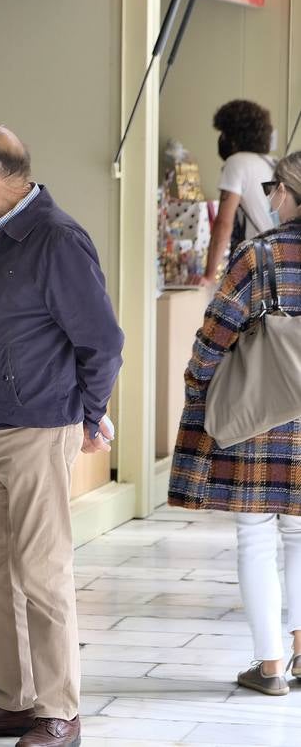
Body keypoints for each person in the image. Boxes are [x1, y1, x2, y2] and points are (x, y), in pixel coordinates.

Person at [0, 125, 123, 747]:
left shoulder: (56, 239)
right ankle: (14, 701)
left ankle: (59, 712)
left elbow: (102, 341)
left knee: (42, 573)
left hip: (39, 428)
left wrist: (87, 413)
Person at [169, 153, 301, 696]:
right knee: (299, 535)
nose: (269, 197)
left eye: (276, 187)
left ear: (293, 193)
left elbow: (215, 335)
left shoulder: (260, 256)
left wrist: (197, 386)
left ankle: (270, 665)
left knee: (254, 537)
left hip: (258, 416)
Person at [199, 99, 277, 286]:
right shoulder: (273, 163)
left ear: (234, 137)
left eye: (224, 134)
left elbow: (223, 224)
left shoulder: (237, 163)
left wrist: (209, 276)